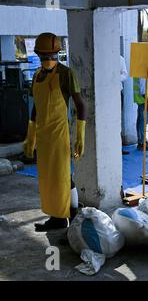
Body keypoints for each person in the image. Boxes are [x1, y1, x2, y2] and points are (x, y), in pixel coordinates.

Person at [23, 32, 87, 231]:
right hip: (43, 138)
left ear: (57, 54)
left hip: (59, 136)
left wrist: (80, 137)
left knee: (63, 177)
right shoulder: (37, 76)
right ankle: (57, 219)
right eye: (43, 56)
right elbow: (36, 108)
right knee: (48, 179)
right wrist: (30, 137)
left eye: (51, 56)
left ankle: (74, 219)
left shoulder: (66, 74)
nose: (47, 60)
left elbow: (81, 106)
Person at [133, 77, 148, 151]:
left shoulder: (141, 70)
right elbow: (143, 86)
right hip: (144, 100)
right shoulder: (143, 72)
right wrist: (146, 99)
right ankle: (142, 143)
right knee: (142, 121)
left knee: (142, 121)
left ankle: (142, 141)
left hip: (143, 99)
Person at [119, 55, 130, 155]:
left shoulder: (120, 59)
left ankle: (118, 147)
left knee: (118, 120)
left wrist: (115, 78)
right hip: (105, 93)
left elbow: (125, 75)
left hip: (117, 92)